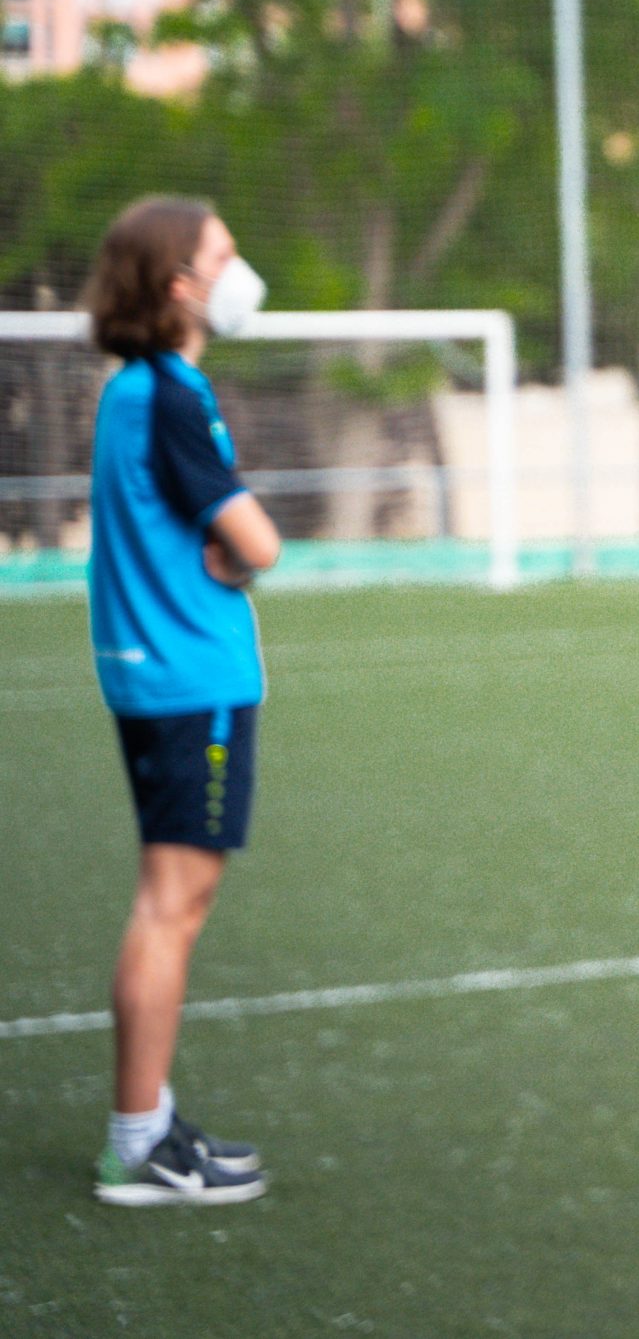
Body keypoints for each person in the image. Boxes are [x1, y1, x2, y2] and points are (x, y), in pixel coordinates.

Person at [81, 196, 283, 1206]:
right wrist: (243, 553)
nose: (239, 271)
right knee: (171, 908)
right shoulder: (170, 391)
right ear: (180, 285)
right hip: (190, 680)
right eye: (224, 254)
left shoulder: (129, 391)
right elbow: (256, 541)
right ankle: (139, 1143)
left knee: (165, 903)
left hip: (148, 673)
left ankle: (146, 1126)